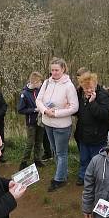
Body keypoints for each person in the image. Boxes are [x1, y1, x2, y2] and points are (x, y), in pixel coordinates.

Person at [36, 57, 79, 191]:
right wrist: (45, 111)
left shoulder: (68, 86)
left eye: (57, 70)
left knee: (61, 153)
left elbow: (74, 107)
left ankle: (59, 179)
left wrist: (56, 113)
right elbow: (38, 100)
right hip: (47, 123)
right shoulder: (47, 83)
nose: (54, 73)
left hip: (62, 125)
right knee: (55, 150)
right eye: (52, 70)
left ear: (63, 69)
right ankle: (62, 173)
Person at [74, 72, 109, 186]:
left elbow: (103, 115)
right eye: (86, 88)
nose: (88, 90)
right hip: (83, 133)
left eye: (90, 87)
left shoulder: (103, 95)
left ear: (95, 84)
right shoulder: (79, 93)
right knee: (84, 158)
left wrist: (92, 103)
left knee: (97, 160)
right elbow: (77, 111)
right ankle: (82, 176)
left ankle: (96, 179)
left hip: (98, 135)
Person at [17, 71, 46, 169]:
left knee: (39, 141)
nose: (41, 84)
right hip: (31, 122)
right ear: (34, 82)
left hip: (41, 121)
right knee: (30, 143)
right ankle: (24, 162)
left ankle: (37, 160)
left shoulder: (39, 90)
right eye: (39, 82)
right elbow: (20, 110)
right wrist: (34, 110)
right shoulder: (24, 94)